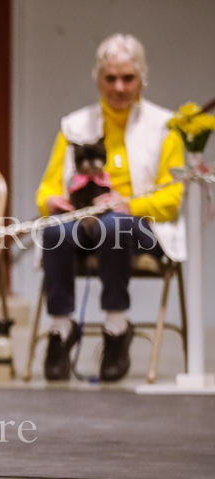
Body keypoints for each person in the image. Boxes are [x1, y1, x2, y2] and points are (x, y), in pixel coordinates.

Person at [35, 33, 184, 382]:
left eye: (128, 78)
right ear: (97, 79)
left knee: (113, 225)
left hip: (141, 226)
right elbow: (48, 187)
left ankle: (116, 326)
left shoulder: (167, 126)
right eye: (111, 78)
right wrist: (50, 201)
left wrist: (128, 204)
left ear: (142, 79)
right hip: (82, 220)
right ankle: (61, 328)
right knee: (54, 228)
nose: (119, 87)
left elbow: (172, 199)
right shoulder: (74, 125)